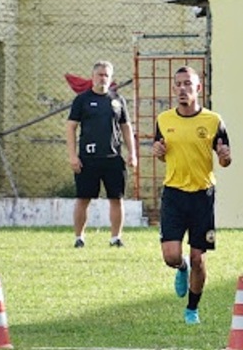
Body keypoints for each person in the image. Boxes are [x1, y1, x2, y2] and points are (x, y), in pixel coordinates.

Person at [151, 66, 231, 325]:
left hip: (202, 196)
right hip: (174, 194)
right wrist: (158, 151)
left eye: (188, 84)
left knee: (199, 257)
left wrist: (225, 157)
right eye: (178, 84)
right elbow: (162, 153)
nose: (182, 89)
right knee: (171, 256)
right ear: (174, 89)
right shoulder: (164, 120)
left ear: (198, 88)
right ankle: (181, 267)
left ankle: (192, 309)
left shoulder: (213, 121)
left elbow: (225, 156)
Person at [65, 60, 137, 248]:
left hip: (113, 158)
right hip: (88, 160)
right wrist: (73, 155)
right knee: (83, 199)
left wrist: (132, 153)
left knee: (117, 198)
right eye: (99, 74)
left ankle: (116, 238)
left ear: (111, 78)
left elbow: (126, 127)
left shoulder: (117, 100)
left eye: (106, 75)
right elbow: (71, 127)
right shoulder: (82, 100)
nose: (102, 78)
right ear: (93, 77)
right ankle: (79, 238)